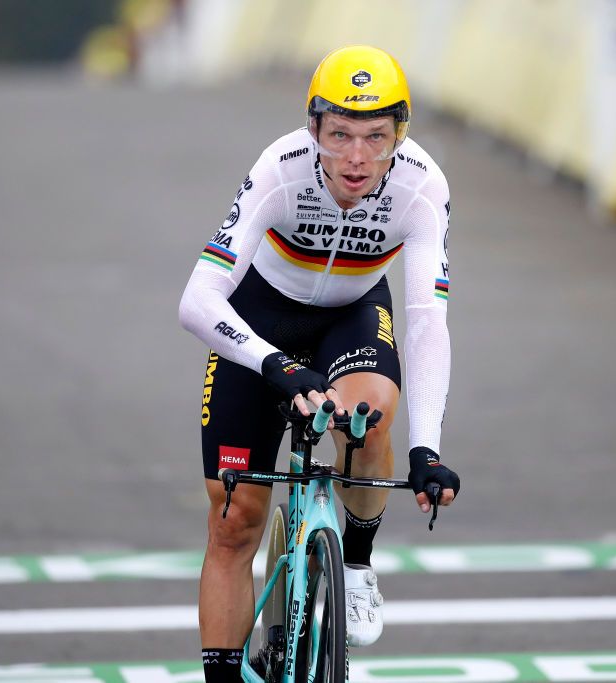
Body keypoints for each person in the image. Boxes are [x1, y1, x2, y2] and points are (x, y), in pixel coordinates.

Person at [179, 44, 460, 682]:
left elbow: (426, 320)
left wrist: (429, 449)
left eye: (375, 137)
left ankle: (355, 563)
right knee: (234, 521)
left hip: (352, 316)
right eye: (339, 135)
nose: (356, 157)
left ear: (400, 136)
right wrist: (270, 362)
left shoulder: (422, 186)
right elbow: (197, 299)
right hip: (260, 323)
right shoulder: (280, 168)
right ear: (314, 129)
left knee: (368, 415)